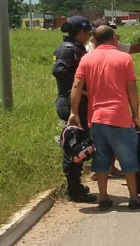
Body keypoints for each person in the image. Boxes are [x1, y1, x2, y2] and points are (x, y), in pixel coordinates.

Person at [68, 24, 140, 210]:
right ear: (114, 39)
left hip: (96, 118)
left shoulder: (86, 59)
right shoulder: (124, 58)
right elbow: (131, 89)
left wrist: (74, 113)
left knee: (101, 158)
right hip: (119, 118)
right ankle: (133, 198)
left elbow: (76, 86)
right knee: (128, 158)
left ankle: (103, 198)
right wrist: (136, 114)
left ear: (94, 41)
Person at [88, 18, 140, 179]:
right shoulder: (90, 51)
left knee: (110, 136)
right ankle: (103, 171)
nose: (114, 37)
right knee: (104, 140)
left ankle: (108, 170)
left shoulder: (116, 46)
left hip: (112, 102)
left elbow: (137, 48)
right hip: (96, 101)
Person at [52, 15, 97, 203]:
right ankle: (73, 189)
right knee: (74, 145)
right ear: (81, 32)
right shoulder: (68, 49)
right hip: (69, 102)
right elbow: (59, 70)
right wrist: (78, 89)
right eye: (88, 33)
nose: (89, 36)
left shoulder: (76, 48)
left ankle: (76, 184)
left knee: (81, 144)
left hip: (76, 102)